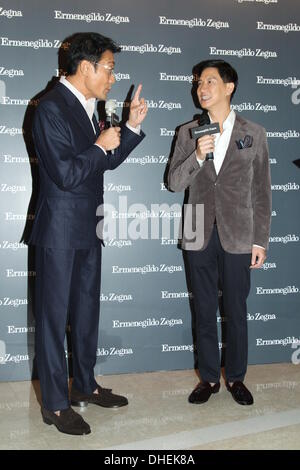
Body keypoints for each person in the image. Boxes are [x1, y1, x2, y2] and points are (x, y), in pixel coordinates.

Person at [29, 32, 147, 435]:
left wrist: (128, 129)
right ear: (86, 67)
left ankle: (84, 384)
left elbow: (103, 161)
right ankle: (56, 405)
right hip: (59, 231)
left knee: (85, 315)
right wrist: (99, 146)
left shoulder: (87, 107)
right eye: (110, 68)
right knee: (52, 318)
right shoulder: (50, 109)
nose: (114, 78)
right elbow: (64, 173)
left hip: (89, 227)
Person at [168, 60, 271, 406]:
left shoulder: (253, 133)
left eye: (210, 81)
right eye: (199, 82)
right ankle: (209, 378)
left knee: (237, 311)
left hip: (240, 235)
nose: (202, 87)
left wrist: (260, 240)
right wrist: (197, 155)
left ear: (229, 87)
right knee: (204, 309)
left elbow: (262, 191)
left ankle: (237, 377)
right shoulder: (188, 131)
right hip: (198, 230)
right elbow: (173, 182)